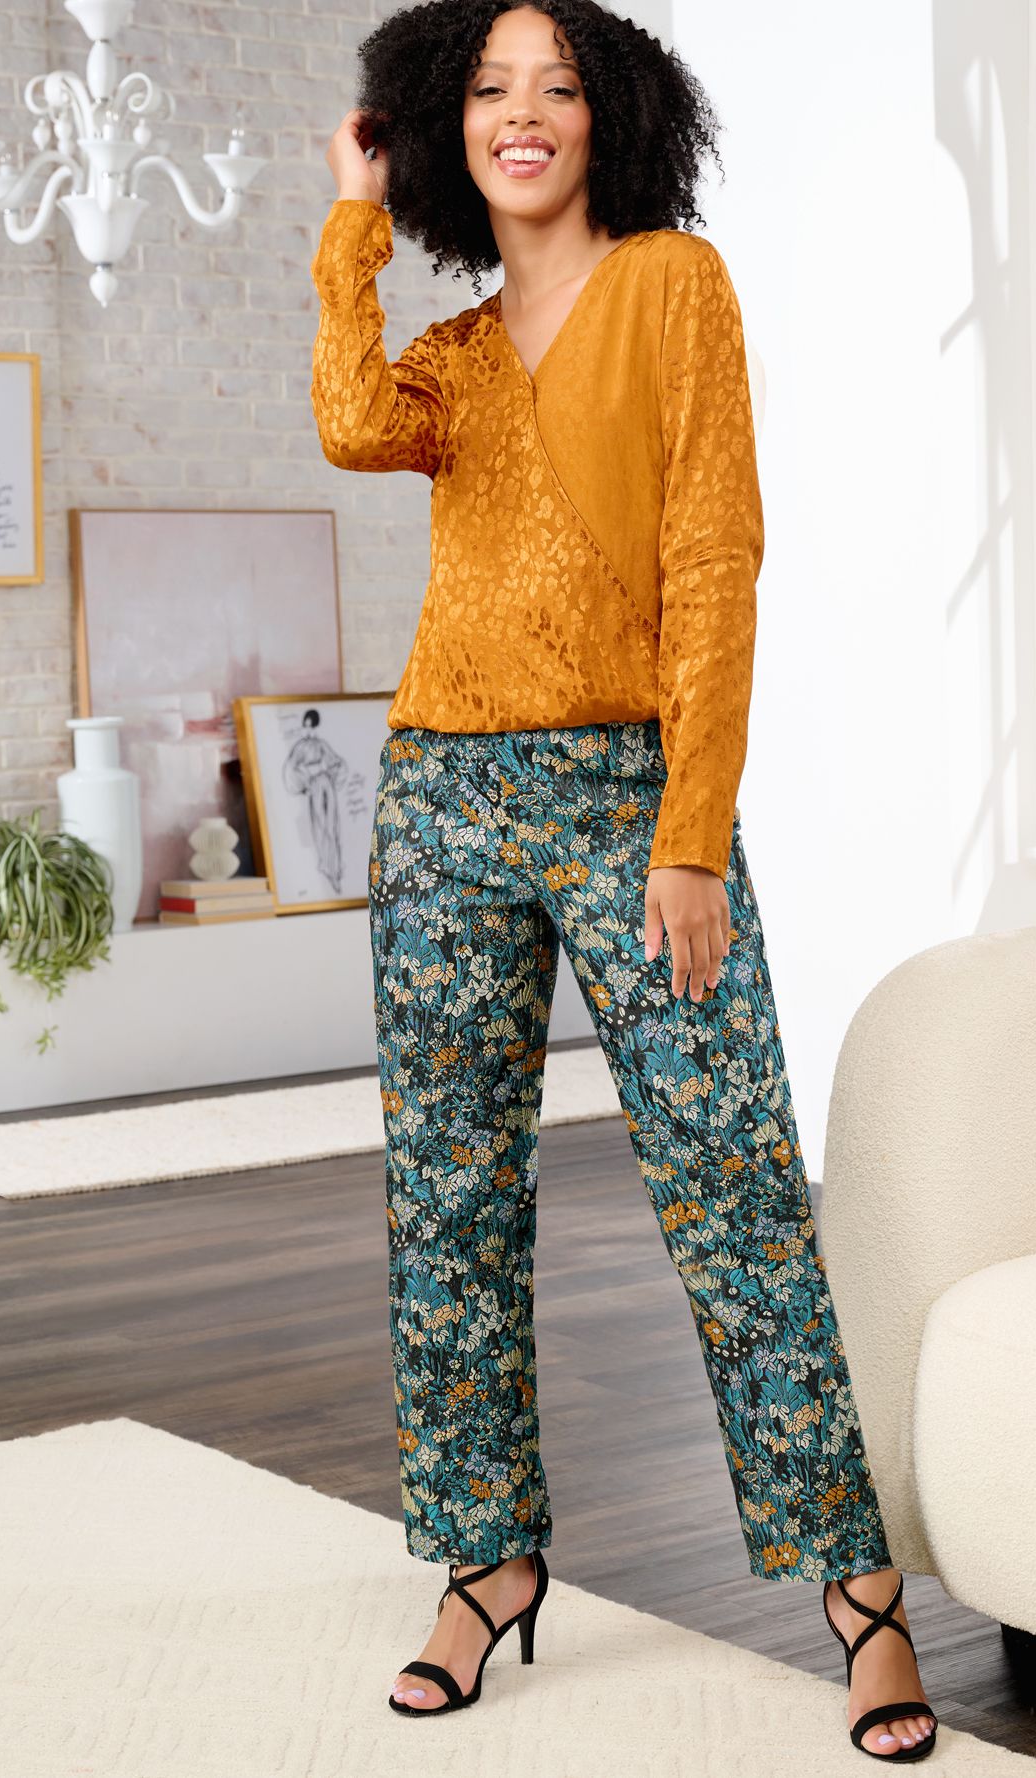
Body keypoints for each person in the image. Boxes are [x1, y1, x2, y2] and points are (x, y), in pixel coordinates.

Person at [308, 3, 936, 1761]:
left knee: (732, 1185)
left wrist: (689, 831)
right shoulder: (447, 357)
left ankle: (860, 1593)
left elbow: (716, 557)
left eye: (558, 88)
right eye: (487, 90)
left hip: (627, 797)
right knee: (447, 1200)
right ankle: (482, 1558)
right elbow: (348, 420)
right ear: (448, 125)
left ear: (612, 118)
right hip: (442, 797)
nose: (523, 114)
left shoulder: (675, 290)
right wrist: (352, 216)